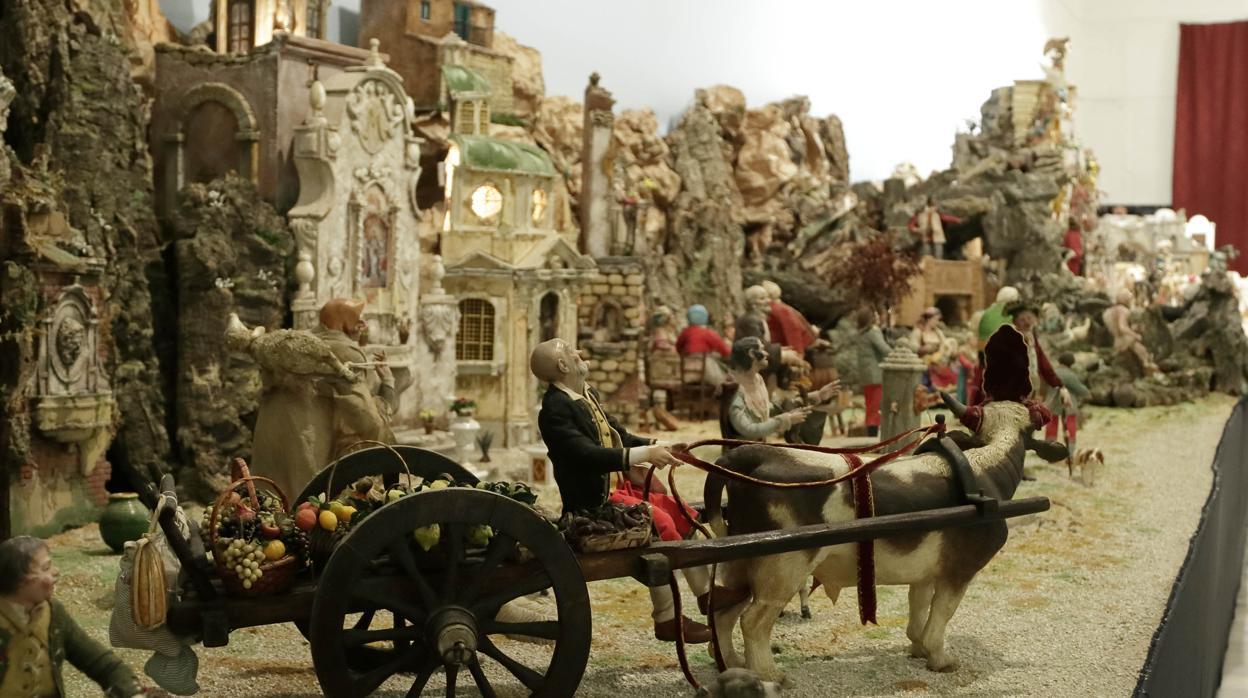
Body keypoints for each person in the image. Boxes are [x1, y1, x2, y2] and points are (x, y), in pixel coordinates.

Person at [532, 338, 748, 643]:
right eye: (571, 352)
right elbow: (586, 455)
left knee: (682, 513)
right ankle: (667, 618)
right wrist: (646, 457)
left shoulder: (585, 394)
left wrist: (658, 446)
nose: (580, 353)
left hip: (619, 492)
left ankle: (706, 595)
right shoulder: (554, 409)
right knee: (660, 523)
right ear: (563, 366)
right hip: (591, 505)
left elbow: (620, 435)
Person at [251, 298, 396, 499]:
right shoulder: (346, 352)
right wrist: (388, 384)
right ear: (344, 322)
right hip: (304, 450)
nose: (362, 324)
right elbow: (365, 418)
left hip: (268, 447)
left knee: (267, 505)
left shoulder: (293, 346)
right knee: (302, 510)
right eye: (357, 318)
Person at [0, 536, 163, 698]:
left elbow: (99, 662)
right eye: (46, 568)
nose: (55, 572)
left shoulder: (53, 614)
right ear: (22, 581)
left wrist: (131, 692)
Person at [721, 338, 839, 445]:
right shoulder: (735, 390)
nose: (767, 353)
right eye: (762, 349)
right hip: (741, 456)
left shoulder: (757, 379)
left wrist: (815, 396)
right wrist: (785, 420)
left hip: (759, 449)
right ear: (751, 354)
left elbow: (766, 409)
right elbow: (749, 429)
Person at [1103, 289, 1161, 376]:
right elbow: (1122, 327)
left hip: (1116, 342)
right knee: (1145, 358)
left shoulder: (1107, 312)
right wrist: (1135, 335)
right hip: (1128, 341)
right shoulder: (1124, 311)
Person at [854, 307, 891, 437]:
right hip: (875, 374)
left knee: (871, 406)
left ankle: (872, 433)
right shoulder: (873, 332)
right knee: (875, 407)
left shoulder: (861, 333)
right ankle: (872, 436)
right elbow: (884, 350)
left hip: (866, 374)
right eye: (875, 315)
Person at [1046, 353, 1090, 457]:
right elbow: (1079, 388)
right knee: (1071, 426)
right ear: (1071, 363)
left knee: (1052, 426)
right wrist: (1088, 393)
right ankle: (1070, 452)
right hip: (1067, 403)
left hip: (1052, 403)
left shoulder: (1053, 372)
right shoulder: (1069, 374)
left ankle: (1049, 450)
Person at [675, 304, 731, 387]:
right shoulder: (708, 333)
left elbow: (678, 347)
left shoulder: (685, 332)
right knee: (724, 378)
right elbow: (725, 351)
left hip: (686, 370)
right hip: (706, 371)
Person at [761, 280, 817, 357]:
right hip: (783, 350)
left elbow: (792, 329)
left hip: (796, 351)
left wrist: (798, 353)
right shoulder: (779, 307)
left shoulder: (778, 309)